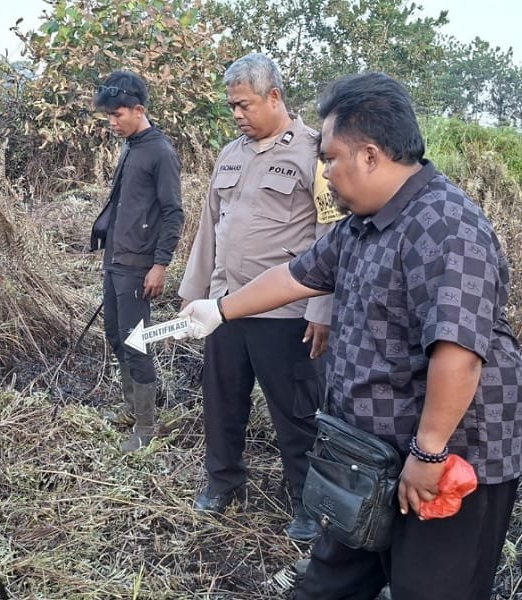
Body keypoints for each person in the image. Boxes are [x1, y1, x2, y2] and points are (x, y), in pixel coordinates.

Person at [178, 72, 522, 600]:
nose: (325, 172)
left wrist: (429, 453)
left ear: (369, 155)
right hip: (370, 455)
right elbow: (298, 274)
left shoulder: (446, 226)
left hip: (449, 462)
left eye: (331, 157)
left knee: (431, 589)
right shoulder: (361, 224)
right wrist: (221, 309)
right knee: (328, 583)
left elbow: (459, 352)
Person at [177, 53, 340, 542]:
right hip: (223, 308)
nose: (237, 115)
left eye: (244, 105)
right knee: (221, 403)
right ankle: (223, 484)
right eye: (231, 107)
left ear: (274, 97)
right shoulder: (230, 155)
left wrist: (322, 310)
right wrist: (194, 294)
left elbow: (331, 235)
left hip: (285, 313)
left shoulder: (315, 153)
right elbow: (210, 228)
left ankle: (308, 505)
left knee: (296, 412)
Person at [90, 70, 183, 452]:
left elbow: (173, 212)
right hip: (115, 260)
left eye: (118, 115)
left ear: (139, 109)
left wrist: (160, 264)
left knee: (136, 343)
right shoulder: (130, 146)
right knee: (116, 336)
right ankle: (131, 408)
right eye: (108, 116)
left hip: (137, 266)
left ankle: (146, 427)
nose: (113, 123)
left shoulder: (160, 151)